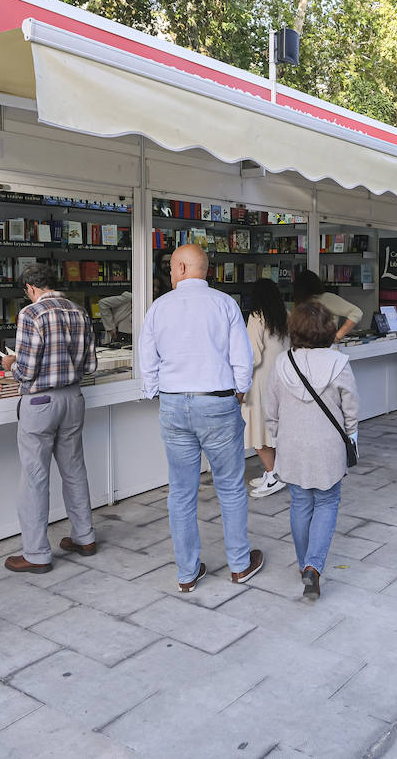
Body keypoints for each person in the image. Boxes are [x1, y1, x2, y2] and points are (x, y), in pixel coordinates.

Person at [139, 244, 264, 592]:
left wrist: (156, 391)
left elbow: (147, 357)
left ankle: (187, 573)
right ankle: (239, 565)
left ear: (179, 267)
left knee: (180, 491)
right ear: (205, 270)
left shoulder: (159, 307)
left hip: (175, 404)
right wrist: (240, 389)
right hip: (217, 403)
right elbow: (242, 354)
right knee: (229, 487)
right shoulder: (224, 303)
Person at [0, 263, 98, 574]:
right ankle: (85, 537)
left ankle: (37, 554)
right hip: (73, 398)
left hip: (40, 402)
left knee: (34, 477)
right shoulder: (79, 311)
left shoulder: (31, 314)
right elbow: (91, 365)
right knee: (74, 469)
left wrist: (9, 364)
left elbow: (26, 370)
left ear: (29, 288)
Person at [266, 303, 359, 600]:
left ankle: (304, 563)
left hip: (292, 444)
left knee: (299, 503)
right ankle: (313, 567)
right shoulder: (339, 363)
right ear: (329, 330)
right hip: (328, 445)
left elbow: (272, 410)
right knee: (327, 502)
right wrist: (351, 435)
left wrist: (277, 436)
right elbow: (351, 410)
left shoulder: (282, 363)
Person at [244, 279, 290, 499]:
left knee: (257, 430)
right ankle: (275, 471)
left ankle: (273, 476)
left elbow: (253, 354)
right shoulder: (285, 316)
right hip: (282, 378)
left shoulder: (256, 316)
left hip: (260, 381)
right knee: (275, 429)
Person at [293, 269, 362, 341]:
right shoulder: (302, 303)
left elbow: (356, 312)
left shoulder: (326, 298)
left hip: (325, 345)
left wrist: (337, 336)